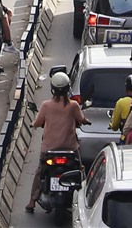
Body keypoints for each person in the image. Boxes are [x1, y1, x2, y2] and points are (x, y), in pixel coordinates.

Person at [26, 73, 83, 212]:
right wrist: (85, 122)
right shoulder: (73, 105)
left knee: (40, 171)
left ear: (52, 88)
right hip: (70, 148)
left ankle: (32, 201)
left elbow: (38, 122)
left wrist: (33, 124)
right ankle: (85, 198)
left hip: (49, 149)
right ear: (67, 88)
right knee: (80, 169)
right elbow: (81, 120)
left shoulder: (46, 105)